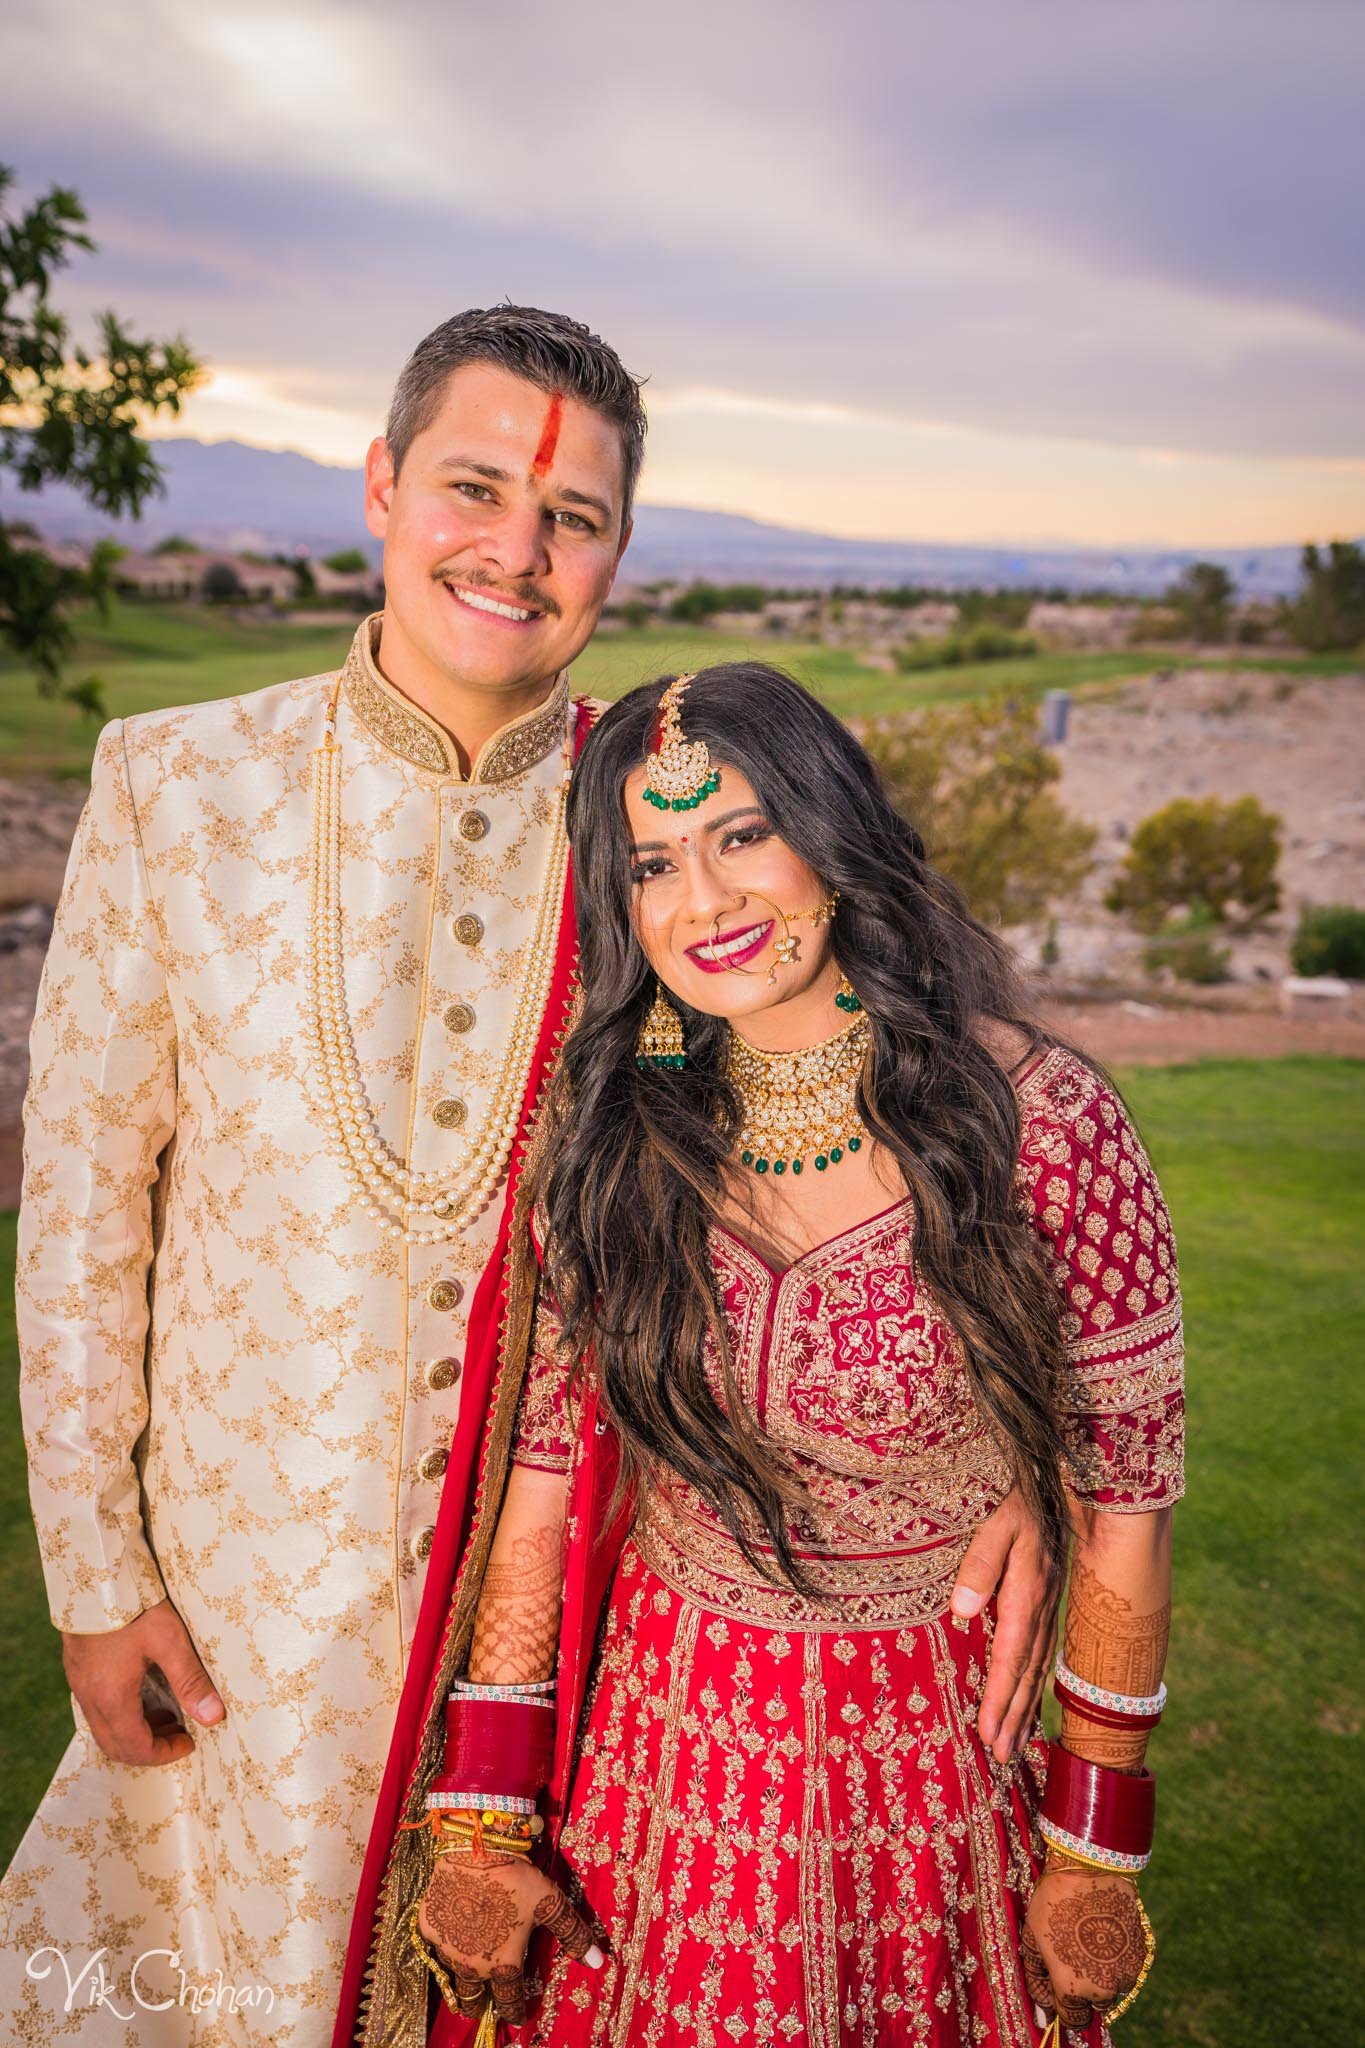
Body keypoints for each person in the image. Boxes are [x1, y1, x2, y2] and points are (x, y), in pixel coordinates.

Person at [0, 305, 643, 2045]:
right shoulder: (173, 784)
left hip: (549, 1655)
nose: (514, 549)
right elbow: (77, 1217)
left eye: (569, 515)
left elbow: (860, 1149)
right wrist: (94, 1576)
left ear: (615, 552)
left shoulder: (659, 834)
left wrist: (1025, 1478)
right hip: (230, 1634)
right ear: (379, 484)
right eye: (473, 486)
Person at [382, 665, 1184, 2047]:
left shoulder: (1045, 1125)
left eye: (743, 834)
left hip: (936, 1774)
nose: (706, 901)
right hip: (658, 1778)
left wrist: (1090, 1847)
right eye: (653, 863)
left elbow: (1127, 1499)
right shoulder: (619, 1140)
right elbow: (542, 1492)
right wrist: (481, 1821)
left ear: (832, 832)